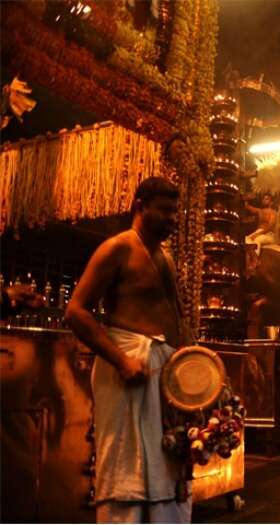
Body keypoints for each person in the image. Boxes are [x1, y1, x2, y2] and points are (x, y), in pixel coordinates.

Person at [65, 177, 192, 524]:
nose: (172, 219)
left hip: (161, 372)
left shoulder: (164, 256)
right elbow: (75, 310)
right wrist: (121, 360)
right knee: (127, 467)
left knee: (170, 461)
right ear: (140, 206)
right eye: (164, 210)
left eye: (175, 212)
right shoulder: (117, 248)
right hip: (128, 368)